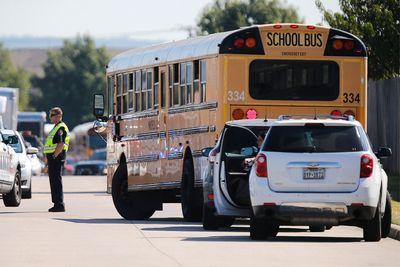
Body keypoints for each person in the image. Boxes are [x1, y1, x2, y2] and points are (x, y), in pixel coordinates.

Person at [43, 107, 70, 212]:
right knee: (53, 181)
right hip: (53, 158)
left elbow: (61, 143)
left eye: (52, 115)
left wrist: (54, 156)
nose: (50, 118)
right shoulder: (56, 127)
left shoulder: (61, 128)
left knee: (56, 181)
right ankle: (56, 203)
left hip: (57, 157)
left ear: (58, 116)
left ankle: (59, 204)